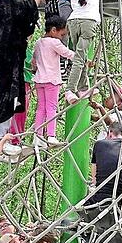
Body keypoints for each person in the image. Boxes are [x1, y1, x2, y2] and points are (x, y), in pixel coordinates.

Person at [62, 0, 108, 104]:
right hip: (88, 22)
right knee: (80, 58)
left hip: (73, 23)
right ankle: (70, 89)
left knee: (79, 56)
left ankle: (83, 87)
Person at [32, 16, 76, 148]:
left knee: (41, 108)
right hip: (52, 80)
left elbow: (34, 60)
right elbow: (67, 53)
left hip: (39, 79)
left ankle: (38, 135)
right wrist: (82, 59)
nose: (62, 37)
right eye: (62, 34)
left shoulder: (39, 42)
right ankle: (51, 135)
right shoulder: (54, 43)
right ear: (53, 30)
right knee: (51, 108)